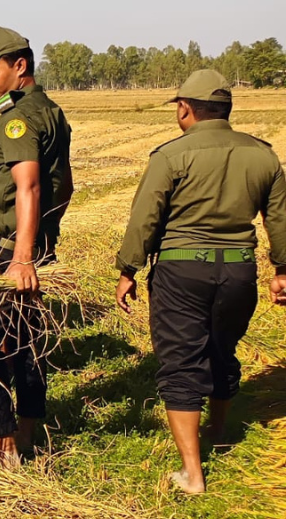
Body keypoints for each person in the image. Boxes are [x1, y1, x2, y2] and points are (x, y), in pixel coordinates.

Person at [115, 69, 286, 495]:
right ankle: (219, 429)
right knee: (221, 349)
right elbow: (279, 220)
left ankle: (193, 473)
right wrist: (282, 270)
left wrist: (128, 270)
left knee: (181, 362)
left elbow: (145, 218)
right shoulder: (264, 155)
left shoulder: (170, 156)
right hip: (239, 271)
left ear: (185, 108)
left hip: (181, 271)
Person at [0, 25, 73, 467]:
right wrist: (43, 243)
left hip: (8, 253)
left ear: (19, 66)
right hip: (33, 247)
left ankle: (2, 446)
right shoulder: (52, 111)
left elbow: (29, 188)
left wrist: (21, 258)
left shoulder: (16, 119)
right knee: (29, 343)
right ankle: (27, 435)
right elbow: (64, 187)